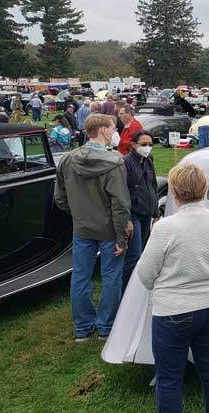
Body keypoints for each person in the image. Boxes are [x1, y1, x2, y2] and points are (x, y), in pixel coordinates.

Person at [137, 162, 209, 413]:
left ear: (175, 192)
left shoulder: (165, 227)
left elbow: (146, 273)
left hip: (174, 309)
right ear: (205, 189)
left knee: (169, 378)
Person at [54, 113, 130, 341]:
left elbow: (59, 198)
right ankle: (105, 327)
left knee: (80, 277)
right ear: (104, 130)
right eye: (112, 127)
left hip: (82, 228)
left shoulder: (67, 159)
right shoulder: (115, 161)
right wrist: (121, 237)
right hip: (108, 231)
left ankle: (83, 328)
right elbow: (120, 204)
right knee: (111, 278)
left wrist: (79, 214)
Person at [122, 130, 160, 293]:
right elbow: (123, 191)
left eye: (150, 144)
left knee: (144, 252)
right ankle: (127, 293)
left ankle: (140, 289)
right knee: (134, 255)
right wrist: (128, 218)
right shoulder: (126, 163)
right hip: (134, 214)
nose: (147, 147)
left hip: (147, 213)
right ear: (133, 145)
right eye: (144, 144)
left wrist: (156, 213)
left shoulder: (148, 160)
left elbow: (153, 186)